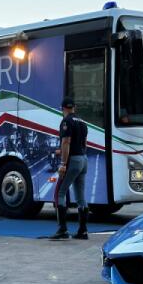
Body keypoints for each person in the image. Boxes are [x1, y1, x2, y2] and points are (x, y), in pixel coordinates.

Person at [50, 97, 89, 240]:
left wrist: (63, 164)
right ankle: (83, 231)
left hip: (72, 161)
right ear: (74, 107)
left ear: (63, 108)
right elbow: (84, 143)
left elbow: (66, 142)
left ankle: (62, 230)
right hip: (83, 160)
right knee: (80, 196)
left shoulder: (66, 121)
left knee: (60, 193)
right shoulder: (82, 122)